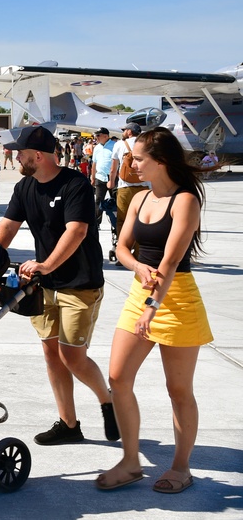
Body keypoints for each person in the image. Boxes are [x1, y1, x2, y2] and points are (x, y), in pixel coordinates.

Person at [95, 127, 213, 493]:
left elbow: (173, 260)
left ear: (160, 162)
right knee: (117, 378)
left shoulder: (185, 201)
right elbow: (123, 247)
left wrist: (153, 305)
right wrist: (137, 268)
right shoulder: (139, 199)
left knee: (178, 389)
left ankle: (181, 467)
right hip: (141, 295)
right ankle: (131, 462)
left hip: (176, 301)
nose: (131, 164)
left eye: (138, 158)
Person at [0, 125, 118, 445]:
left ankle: (107, 400)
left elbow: (75, 232)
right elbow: (5, 229)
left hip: (80, 283)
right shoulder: (24, 187)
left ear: (37, 155)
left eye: (19, 152)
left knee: (72, 356)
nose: (14, 156)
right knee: (51, 353)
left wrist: (46, 264)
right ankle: (69, 424)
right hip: (44, 285)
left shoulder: (75, 184)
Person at [107, 122, 149, 257]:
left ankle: (123, 253)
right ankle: (138, 253)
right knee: (141, 220)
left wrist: (111, 182)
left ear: (130, 132)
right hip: (144, 187)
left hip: (125, 187)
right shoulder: (147, 143)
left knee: (122, 221)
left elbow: (114, 167)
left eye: (125, 130)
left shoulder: (119, 144)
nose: (123, 132)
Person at [91, 128, 115, 224]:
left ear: (106, 136)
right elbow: (94, 163)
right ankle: (97, 222)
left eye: (98, 135)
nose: (96, 137)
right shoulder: (96, 148)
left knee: (115, 200)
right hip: (100, 177)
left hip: (112, 177)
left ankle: (115, 221)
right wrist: (93, 177)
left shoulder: (114, 146)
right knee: (98, 201)